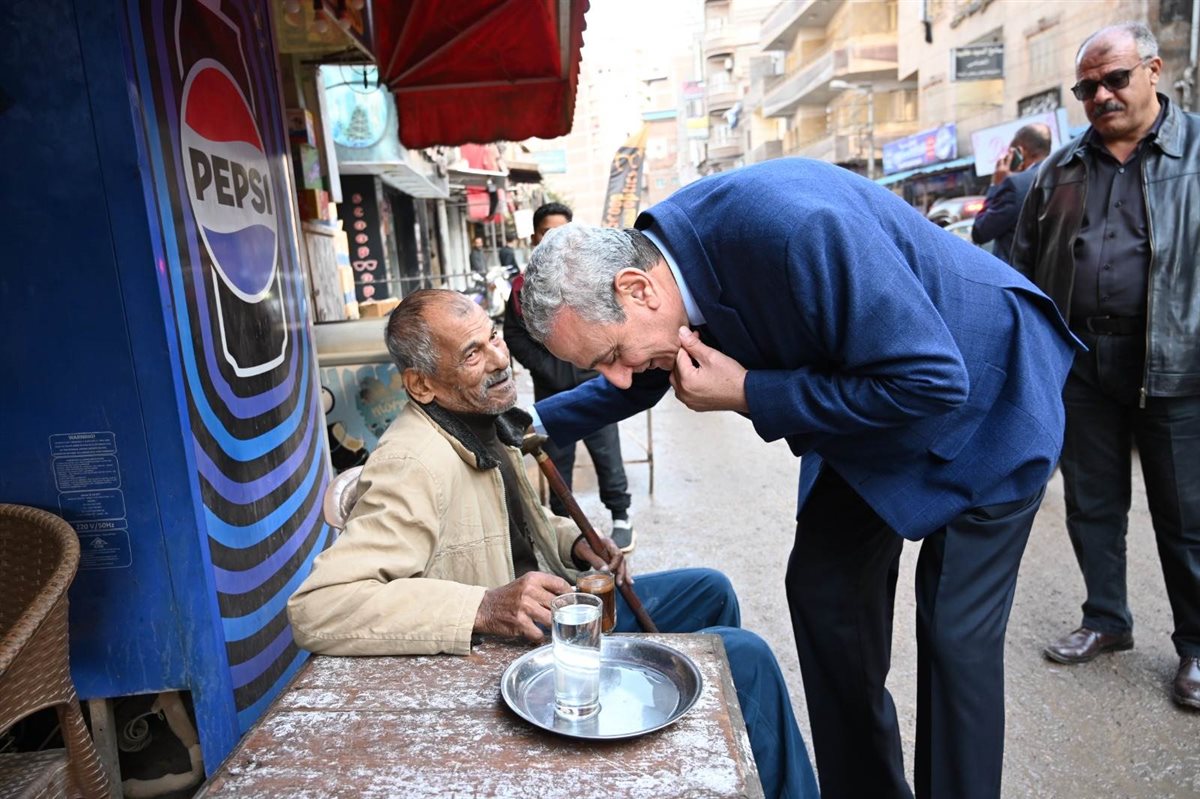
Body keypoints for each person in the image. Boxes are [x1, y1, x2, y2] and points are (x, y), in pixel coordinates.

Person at [519, 158, 1079, 799]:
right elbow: (644, 375)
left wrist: (750, 392)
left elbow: (931, 379)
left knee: (955, 640)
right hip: (870, 405)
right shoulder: (664, 268)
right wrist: (524, 424)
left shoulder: (798, 231)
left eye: (611, 355)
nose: (618, 375)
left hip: (987, 395)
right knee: (825, 593)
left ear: (637, 289)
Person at [287, 289, 818, 799]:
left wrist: (574, 544)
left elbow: (523, 523)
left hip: (554, 614)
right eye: (473, 354)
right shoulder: (411, 464)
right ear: (422, 385)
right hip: (515, 654)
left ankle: (721, 760)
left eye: (494, 337)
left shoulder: (482, 420)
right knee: (745, 657)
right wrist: (483, 606)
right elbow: (320, 606)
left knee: (710, 590)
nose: (500, 359)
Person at [1010, 22, 1200, 710]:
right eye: (1086, 88)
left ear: (1153, 70)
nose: (1101, 96)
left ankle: (1197, 646)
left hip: (1176, 361)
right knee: (1092, 503)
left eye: (1114, 79)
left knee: (1186, 514)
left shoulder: (1196, 152)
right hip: (1083, 362)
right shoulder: (1058, 169)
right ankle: (1106, 619)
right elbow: (1023, 270)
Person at [505, 202, 636, 551]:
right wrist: (548, 367)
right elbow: (514, 335)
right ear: (535, 237)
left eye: (561, 231)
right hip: (552, 392)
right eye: (546, 232)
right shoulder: (522, 288)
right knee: (557, 463)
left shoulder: (593, 278)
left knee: (607, 453)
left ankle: (621, 517)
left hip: (596, 385)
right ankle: (565, 534)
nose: (553, 238)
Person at [971, 122, 1052, 263]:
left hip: (1018, 271)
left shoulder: (1015, 185)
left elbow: (980, 231)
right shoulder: (1061, 174)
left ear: (1020, 151)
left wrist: (996, 185)